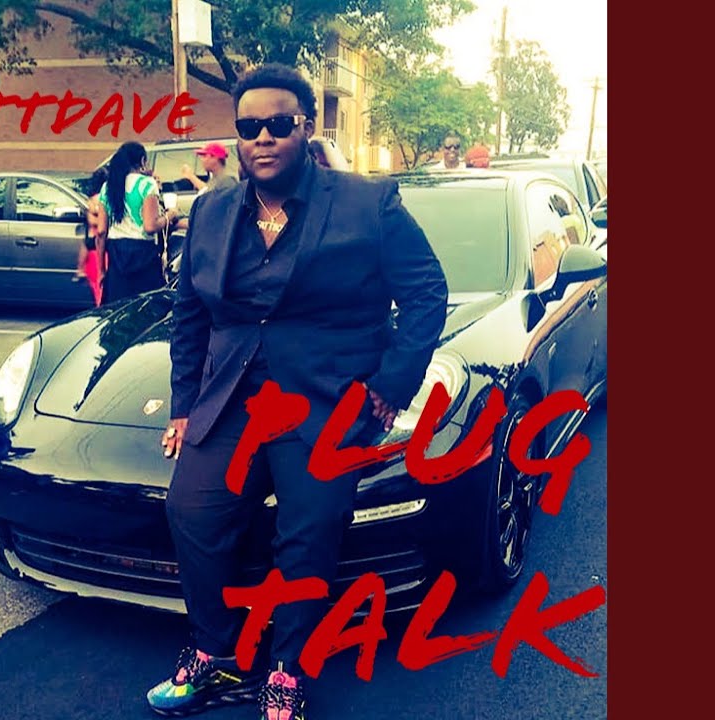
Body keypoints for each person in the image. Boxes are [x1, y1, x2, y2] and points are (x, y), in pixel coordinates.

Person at [148, 63, 448, 720]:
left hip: (325, 401)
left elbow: (427, 292)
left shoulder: (368, 203)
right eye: (249, 125)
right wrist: (183, 405)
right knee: (192, 512)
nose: (263, 137)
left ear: (305, 128)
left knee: (308, 532)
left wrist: (392, 384)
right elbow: (190, 313)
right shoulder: (212, 210)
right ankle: (216, 653)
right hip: (232, 399)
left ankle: (287, 668)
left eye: (278, 124)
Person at [97, 141, 180, 304]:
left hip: (116, 256)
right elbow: (150, 226)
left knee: (117, 309)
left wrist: (101, 269)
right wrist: (170, 215)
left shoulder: (107, 187)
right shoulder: (146, 184)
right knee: (145, 308)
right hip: (144, 255)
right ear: (142, 160)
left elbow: (101, 232)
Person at [81, 167, 109, 306]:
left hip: (94, 248)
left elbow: (91, 221)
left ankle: (100, 307)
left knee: (98, 286)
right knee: (103, 285)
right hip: (104, 247)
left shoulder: (91, 201)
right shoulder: (107, 198)